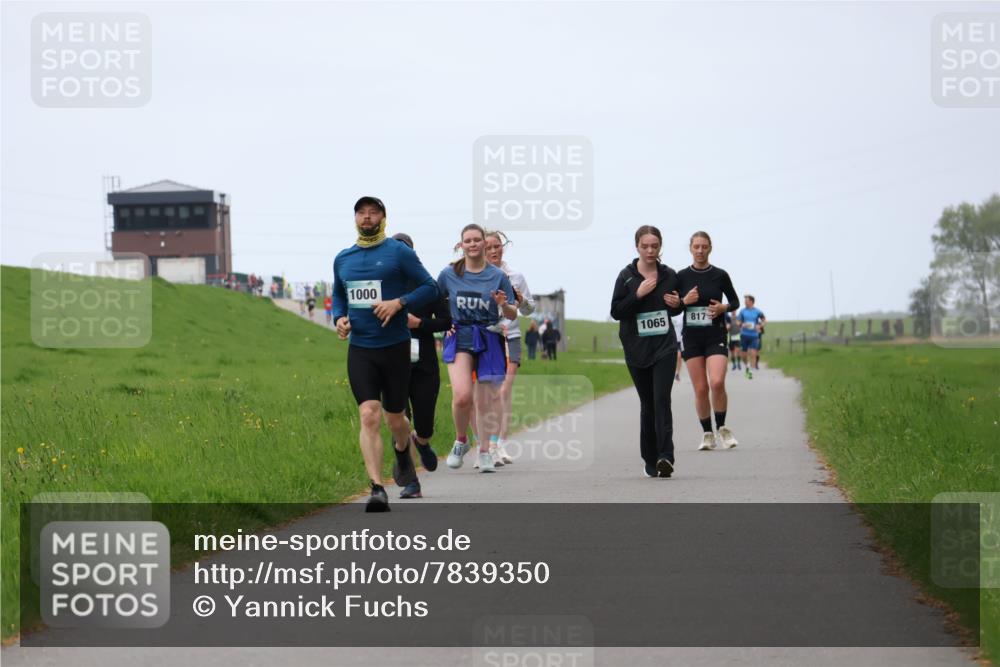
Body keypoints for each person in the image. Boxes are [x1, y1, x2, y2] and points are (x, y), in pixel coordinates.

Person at [332, 196, 439, 512]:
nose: (367, 217)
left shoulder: (398, 253)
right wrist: (339, 317)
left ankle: (403, 451)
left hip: (394, 347)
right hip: (361, 348)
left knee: (396, 418)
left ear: (383, 217)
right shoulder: (343, 258)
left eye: (373, 212)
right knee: (368, 413)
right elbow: (339, 295)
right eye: (361, 213)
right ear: (355, 219)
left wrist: (399, 303)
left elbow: (430, 288)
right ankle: (377, 488)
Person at [438, 224, 518, 473]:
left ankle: (484, 452)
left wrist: (503, 305)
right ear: (461, 245)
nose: (472, 244)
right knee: (462, 396)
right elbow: (435, 301)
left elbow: (512, 312)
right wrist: (443, 323)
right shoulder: (449, 273)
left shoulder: (497, 276)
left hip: (488, 336)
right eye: (467, 241)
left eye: (476, 240)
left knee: (484, 401)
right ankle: (461, 440)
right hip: (460, 335)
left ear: (484, 243)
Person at [610, 225, 683, 478]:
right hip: (636, 348)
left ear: (660, 246)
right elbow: (617, 311)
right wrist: (638, 294)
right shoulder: (626, 276)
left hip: (664, 346)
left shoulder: (670, 275)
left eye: (655, 246)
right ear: (637, 247)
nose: (650, 250)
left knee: (662, 399)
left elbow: (677, 308)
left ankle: (666, 456)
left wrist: (678, 304)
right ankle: (650, 458)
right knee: (648, 404)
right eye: (645, 246)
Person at [389, 232, 450, 499]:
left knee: (423, 423)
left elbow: (446, 322)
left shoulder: (428, 285)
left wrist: (420, 324)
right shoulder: (383, 286)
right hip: (391, 362)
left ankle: (421, 440)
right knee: (398, 420)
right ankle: (410, 480)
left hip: (424, 364)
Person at [676, 231, 740, 451]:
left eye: (704, 247)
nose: (700, 251)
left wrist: (724, 308)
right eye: (696, 247)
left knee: (717, 382)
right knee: (701, 389)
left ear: (710, 248)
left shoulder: (720, 275)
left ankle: (722, 428)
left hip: (715, 335)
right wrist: (685, 301)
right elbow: (672, 306)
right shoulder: (681, 276)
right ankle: (707, 433)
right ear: (691, 249)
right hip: (691, 337)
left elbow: (735, 301)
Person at [477, 230, 535, 465]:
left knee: (503, 392)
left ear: (503, 247)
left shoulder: (515, 276)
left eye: (497, 246)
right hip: (487, 338)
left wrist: (520, 301)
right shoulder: (475, 275)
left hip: (510, 336)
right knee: (487, 395)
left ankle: (498, 445)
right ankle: (485, 444)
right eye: (488, 247)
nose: (493, 251)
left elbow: (530, 309)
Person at [737, 295, 766, 379]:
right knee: (743, 355)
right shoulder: (742, 311)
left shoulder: (757, 312)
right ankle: (747, 366)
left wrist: (760, 326)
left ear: (751, 302)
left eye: (746, 301)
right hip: (744, 335)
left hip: (754, 336)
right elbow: (738, 321)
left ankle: (750, 372)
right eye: (744, 301)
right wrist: (742, 324)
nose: (745, 302)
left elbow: (764, 320)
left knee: (753, 353)